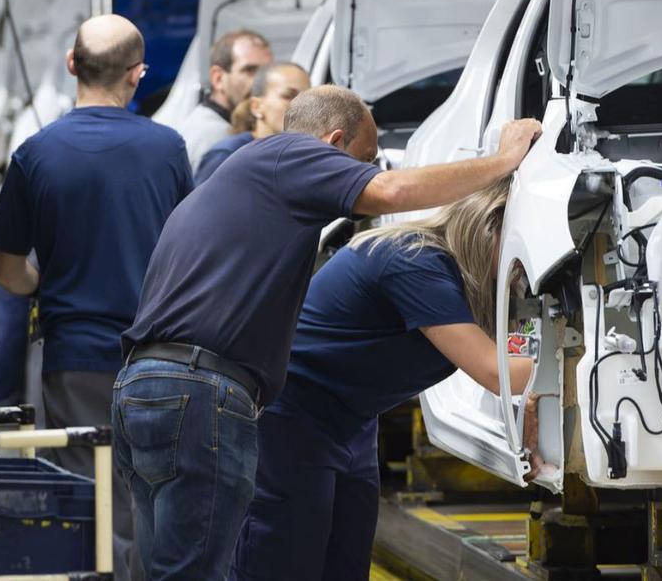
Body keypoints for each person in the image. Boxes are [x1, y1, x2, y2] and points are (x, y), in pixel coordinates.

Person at [113, 84, 540, 580]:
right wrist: (504, 160)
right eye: (363, 161)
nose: (363, 177)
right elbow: (392, 193)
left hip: (161, 386)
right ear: (333, 143)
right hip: (209, 392)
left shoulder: (259, 187)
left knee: (175, 566)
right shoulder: (287, 155)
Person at [231, 178, 530, 580]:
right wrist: (576, 366)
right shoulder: (417, 262)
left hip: (352, 421)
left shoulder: (460, 287)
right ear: (490, 228)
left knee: (345, 564)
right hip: (291, 416)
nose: (521, 275)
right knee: (283, 560)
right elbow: (496, 372)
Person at [0, 14, 193, 581]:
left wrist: (46, 285)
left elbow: (7, 271)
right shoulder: (168, 148)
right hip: (160, 357)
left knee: (89, 499)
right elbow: (189, 250)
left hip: (74, 358)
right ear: (138, 74)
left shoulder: (35, 154)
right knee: (155, 500)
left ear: (72, 63)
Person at [193, 61, 310, 184]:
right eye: (288, 96)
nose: (301, 104)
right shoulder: (227, 155)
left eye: (307, 97)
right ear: (256, 106)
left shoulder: (308, 156)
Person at [180, 29, 272, 171]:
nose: (262, 81)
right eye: (250, 70)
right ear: (218, 78)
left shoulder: (221, 131)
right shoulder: (214, 139)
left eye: (267, 71)